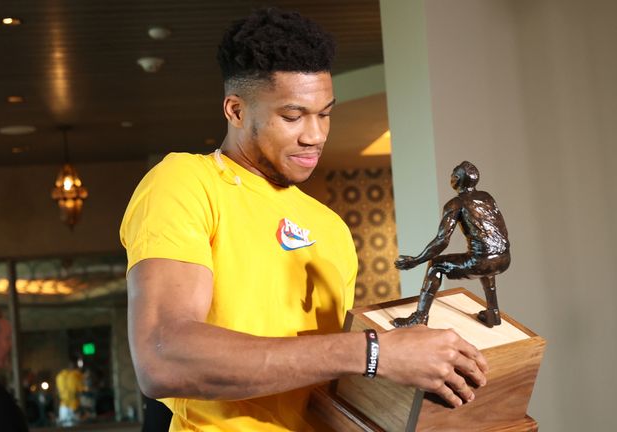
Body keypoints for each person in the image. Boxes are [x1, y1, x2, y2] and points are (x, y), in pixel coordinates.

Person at [120, 7, 489, 431]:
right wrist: (374, 353)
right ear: (236, 111)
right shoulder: (186, 181)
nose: (315, 135)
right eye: (292, 116)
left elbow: (326, 384)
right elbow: (162, 356)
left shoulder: (329, 227)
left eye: (325, 113)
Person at [394, 161, 511, 327]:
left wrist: (416, 260)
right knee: (488, 257)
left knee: (436, 265)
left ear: (456, 179)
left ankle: (420, 317)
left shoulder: (455, 204)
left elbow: (442, 240)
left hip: (482, 262)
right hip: (504, 259)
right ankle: (493, 313)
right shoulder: (487, 196)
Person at [55, 358, 84, 426]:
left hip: (63, 405)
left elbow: (57, 391)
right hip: (74, 406)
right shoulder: (76, 376)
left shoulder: (59, 376)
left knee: (65, 427)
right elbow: (81, 390)